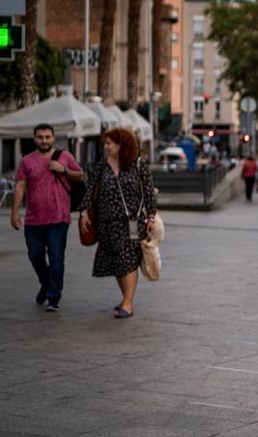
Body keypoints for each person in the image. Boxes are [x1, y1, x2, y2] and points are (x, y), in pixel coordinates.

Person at [79, 128, 157, 319]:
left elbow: (148, 193)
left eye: (109, 143)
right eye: (105, 143)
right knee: (116, 262)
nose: (105, 147)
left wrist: (151, 217)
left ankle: (128, 304)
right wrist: (84, 213)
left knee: (128, 260)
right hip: (107, 222)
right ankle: (126, 299)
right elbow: (90, 190)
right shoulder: (102, 165)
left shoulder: (138, 164)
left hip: (132, 222)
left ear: (121, 144)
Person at [10, 123, 84, 311]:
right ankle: (46, 283)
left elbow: (81, 175)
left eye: (47, 137)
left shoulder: (65, 156)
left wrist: (63, 170)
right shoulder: (27, 161)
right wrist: (14, 212)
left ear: (53, 138)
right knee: (35, 256)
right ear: (34, 139)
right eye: (40, 137)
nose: (44, 140)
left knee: (56, 257)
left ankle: (53, 298)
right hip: (34, 219)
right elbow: (20, 186)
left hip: (59, 218)